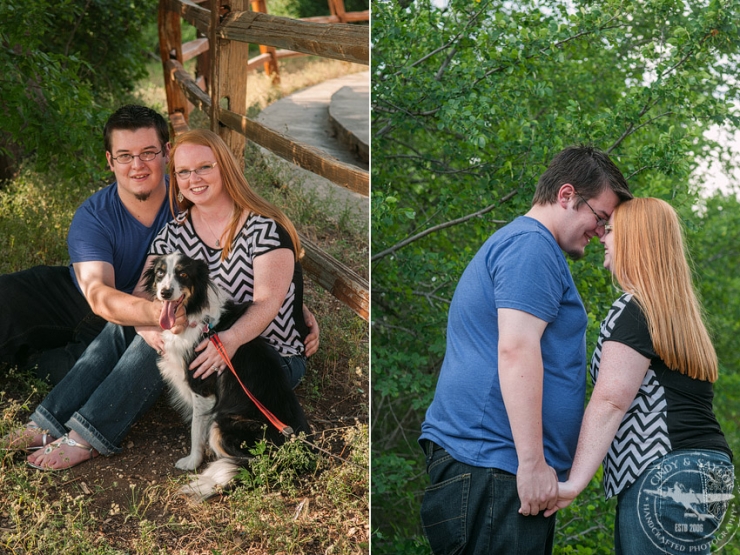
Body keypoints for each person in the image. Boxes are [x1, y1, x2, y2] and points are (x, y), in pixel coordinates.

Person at [21, 128, 314, 470]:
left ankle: (86, 436)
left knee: (168, 336)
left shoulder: (264, 228)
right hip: (204, 340)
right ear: (174, 177)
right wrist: (145, 326)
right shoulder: (175, 231)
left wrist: (229, 340)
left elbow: (267, 303)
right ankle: (46, 423)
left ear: (226, 169)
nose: (194, 179)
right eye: (183, 171)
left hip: (259, 359)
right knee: (135, 326)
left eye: (204, 167)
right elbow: (143, 294)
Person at [418, 146, 633, 555]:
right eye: (600, 218)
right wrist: (532, 463)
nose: (602, 233)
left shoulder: (529, 246)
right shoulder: (531, 247)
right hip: (493, 466)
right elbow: (516, 349)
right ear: (567, 195)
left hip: (494, 469)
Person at [544, 198, 734, 554]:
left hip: (663, 469)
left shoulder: (632, 308)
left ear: (637, 240)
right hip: (707, 468)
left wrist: (573, 483)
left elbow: (611, 401)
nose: (602, 236)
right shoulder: (678, 318)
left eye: (612, 230)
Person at [0, 104, 179, 385]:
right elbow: (98, 294)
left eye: (148, 152)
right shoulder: (94, 214)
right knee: (5, 295)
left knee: (83, 372)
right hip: (78, 298)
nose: (137, 165)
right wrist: (153, 315)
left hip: (134, 320)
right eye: (124, 156)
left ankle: (30, 359)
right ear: (110, 160)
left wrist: (156, 317)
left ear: (167, 151)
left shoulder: (190, 204)